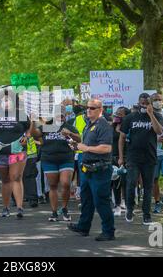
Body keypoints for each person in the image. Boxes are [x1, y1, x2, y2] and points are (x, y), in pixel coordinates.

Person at [67, 99, 115, 241]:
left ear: (100, 110)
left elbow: (106, 148)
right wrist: (76, 145)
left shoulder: (103, 125)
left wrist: (86, 148)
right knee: (86, 199)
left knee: (101, 200)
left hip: (100, 169)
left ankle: (108, 231)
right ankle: (84, 226)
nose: (88, 110)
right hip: (87, 168)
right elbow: (87, 145)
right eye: (87, 107)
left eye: (92, 108)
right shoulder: (89, 124)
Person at [118, 93, 163, 225]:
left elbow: (159, 131)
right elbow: (121, 138)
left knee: (148, 186)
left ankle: (146, 214)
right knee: (131, 183)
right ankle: (130, 209)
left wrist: (151, 115)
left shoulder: (157, 116)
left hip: (149, 157)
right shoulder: (130, 118)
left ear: (150, 104)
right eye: (142, 103)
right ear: (138, 103)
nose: (144, 105)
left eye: (146, 103)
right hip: (133, 156)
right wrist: (121, 157)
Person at [0, 91, 29, 219]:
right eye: (3, 100)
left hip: (17, 151)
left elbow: (29, 127)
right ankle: (6, 207)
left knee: (15, 177)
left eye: (8, 99)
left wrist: (27, 136)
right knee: (5, 180)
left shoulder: (21, 114)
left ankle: (20, 208)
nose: (6, 102)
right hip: (0, 152)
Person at [31, 108, 80, 222]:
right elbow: (34, 134)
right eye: (57, 115)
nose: (60, 117)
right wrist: (33, 122)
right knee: (52, 185)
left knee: (65, 184)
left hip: (66, 159)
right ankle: (53, 212)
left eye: (62, 115)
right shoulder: (46, 127)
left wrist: (70, 134)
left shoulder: (69, 127)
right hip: (49, 159)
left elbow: (79, 139)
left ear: (65, 116)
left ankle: (64, 209)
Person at [111, 107, 130, 216]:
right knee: (116, 182)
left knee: (126, 182)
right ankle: (117, 205)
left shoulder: (129, 127)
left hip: (126, 157)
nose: (117, 115)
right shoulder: (111, 127)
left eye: (120, 114)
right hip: (113, 157)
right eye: (116, 114)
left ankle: (128, 206)